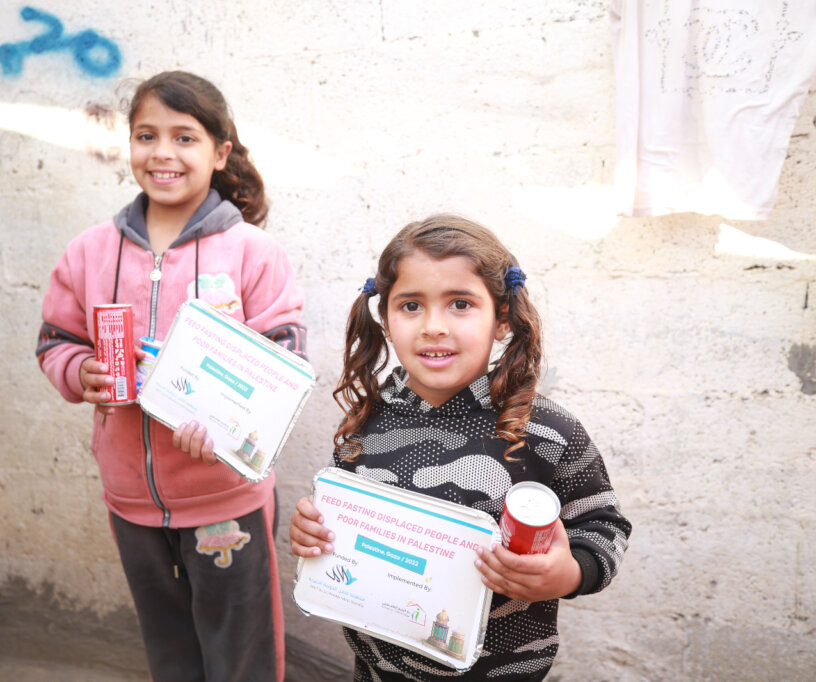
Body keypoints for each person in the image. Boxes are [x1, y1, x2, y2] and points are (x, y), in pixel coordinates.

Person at [37, 70, 306, 682]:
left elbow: (283, 361)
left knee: (240, 653)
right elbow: (56, 340)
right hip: (131, 499)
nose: (162, 153)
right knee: (168, 648)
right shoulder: (89, 253)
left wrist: (227, 424)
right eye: (146, 135)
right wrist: (83, 374)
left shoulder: (252, 254)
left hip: (226, 500)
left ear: (220, 152)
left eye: (185, 137)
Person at [289, 215, 630, 682]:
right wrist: (313, 532)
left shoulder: (547, 432)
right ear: (385, 319)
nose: (433, 326)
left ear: (502, 317)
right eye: (411, 305)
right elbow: (339, 521)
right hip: (375, 672)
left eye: (461, 304)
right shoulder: (363, 424)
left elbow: (603, 525)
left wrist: (568, 573)